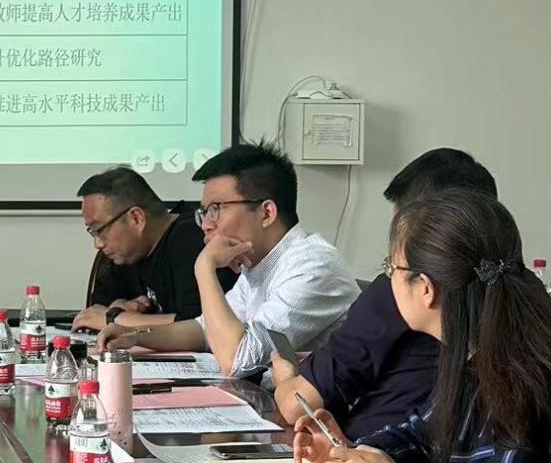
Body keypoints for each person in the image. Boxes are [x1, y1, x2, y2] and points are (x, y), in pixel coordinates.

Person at [294, 190, 551, 463]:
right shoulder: (468, 352)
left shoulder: (528, 368)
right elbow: (423, 435)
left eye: (390, 267)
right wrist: (351, 452)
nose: (387, 278)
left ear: (425, 287)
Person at [272, 148, 495, 440]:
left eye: (392, 263)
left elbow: (298, 405)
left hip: (378, 456)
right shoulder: (507, 284)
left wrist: (286, 378)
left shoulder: (398, 289)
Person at [97, 142, 359, 377]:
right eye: (204, 212)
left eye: (216, 209)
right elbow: (204, 331)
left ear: (266, 213)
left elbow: (237, 361)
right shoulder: (259, 265)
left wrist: (204, 267)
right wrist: (135, 337)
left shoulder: (314, 267)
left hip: (326, 413)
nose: (206, 225)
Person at [72, 166, 235, 331]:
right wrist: (118, 306)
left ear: (136, 218)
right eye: (92, 232)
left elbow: (201, 325)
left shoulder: (192, 240)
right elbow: (97, 312)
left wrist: (118, 319)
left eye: (100, 230)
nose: (98, 244)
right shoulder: (125, 254)